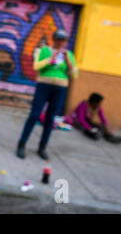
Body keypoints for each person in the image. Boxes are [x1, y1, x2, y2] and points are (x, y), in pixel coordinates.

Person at [16, 29, 78, 160]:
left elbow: (74, 75)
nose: (60, 43)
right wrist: (51, 58)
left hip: (60, 88)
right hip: (44, 86)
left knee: (50, 118)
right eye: (58, 40)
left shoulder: (69, 54)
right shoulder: (44, 50)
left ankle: (42, 147)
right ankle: (22, 144)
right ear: (53, 40)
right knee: (34, 115)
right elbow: (36, 66)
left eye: (63, 40)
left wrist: (68, 61)